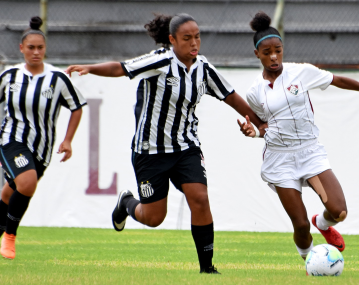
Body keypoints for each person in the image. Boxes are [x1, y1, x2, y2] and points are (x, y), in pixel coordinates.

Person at [65, 13, 265, 274]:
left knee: (200, 199)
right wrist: (90, 68)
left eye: (197, 37)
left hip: (186, 148)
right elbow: (121, 68)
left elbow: (230, 97)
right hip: (150, 152)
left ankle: (207, 268)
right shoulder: (159, 60)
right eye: (187, 38)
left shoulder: (203, 68)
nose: (194, 43)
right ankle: (126, 203)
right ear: (172, 40)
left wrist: (260, 123)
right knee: (154, 218)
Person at [237, 12, 359, 260]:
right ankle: (310, 262)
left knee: (339, 212)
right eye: (267, 52)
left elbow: (338, 80)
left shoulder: (300, 72)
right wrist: (253, 133)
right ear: (257, 54)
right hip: (280, 160)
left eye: (278, 50)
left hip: (309, 153)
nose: (274, 56)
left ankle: (324, 224)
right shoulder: (254, 92)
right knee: (301, 225)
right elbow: (265, 126)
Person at [0, 17, 86, 259]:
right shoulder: (10, 76)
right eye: (31, 48)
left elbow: (77, 106)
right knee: (27, 184)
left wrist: (68, 140)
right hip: (11, 140)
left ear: (45, 49)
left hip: (42, 150)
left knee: (9, 194)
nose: (36, 52)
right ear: (21, 49)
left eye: (40, 48)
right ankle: (10, 237)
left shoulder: (57, 78)